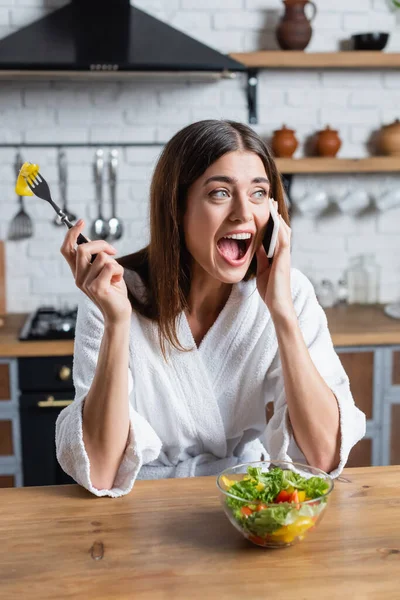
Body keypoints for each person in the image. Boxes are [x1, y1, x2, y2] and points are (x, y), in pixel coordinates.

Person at [56, 120, 366, 498]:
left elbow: (322, 457)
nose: (242, 213)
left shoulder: (288, 293)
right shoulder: (113, 298)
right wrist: (119, 324)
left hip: (243, 501)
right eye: (220, 193)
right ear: (177, 207)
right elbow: (102, 473)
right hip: (139, 510)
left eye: (258, 193)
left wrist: (282, 313)